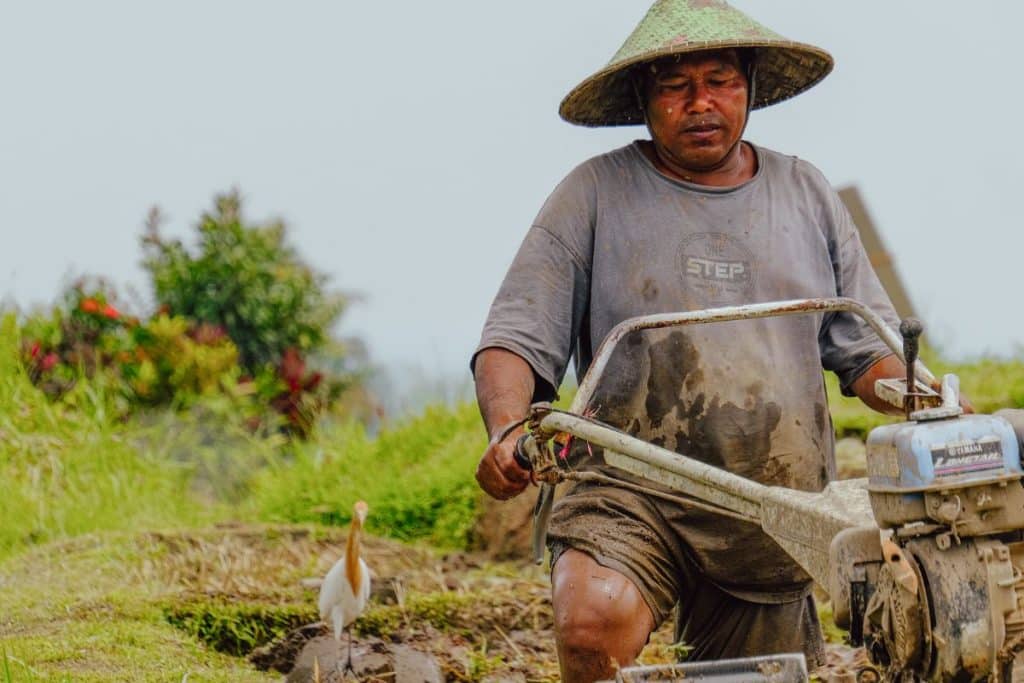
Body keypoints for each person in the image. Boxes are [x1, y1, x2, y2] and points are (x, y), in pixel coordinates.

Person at [471, 1, 921, 680]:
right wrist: (506, 430)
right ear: (644, 99)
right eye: (676, 86)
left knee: (763, 673)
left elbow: (868, 348)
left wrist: (926, 397)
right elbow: (515, 335)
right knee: (592, 618)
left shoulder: (806, 194)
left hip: (771, 508)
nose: (701, 102)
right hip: (630, 489)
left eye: (720, 80)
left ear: (750, 87)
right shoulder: (594, 194)